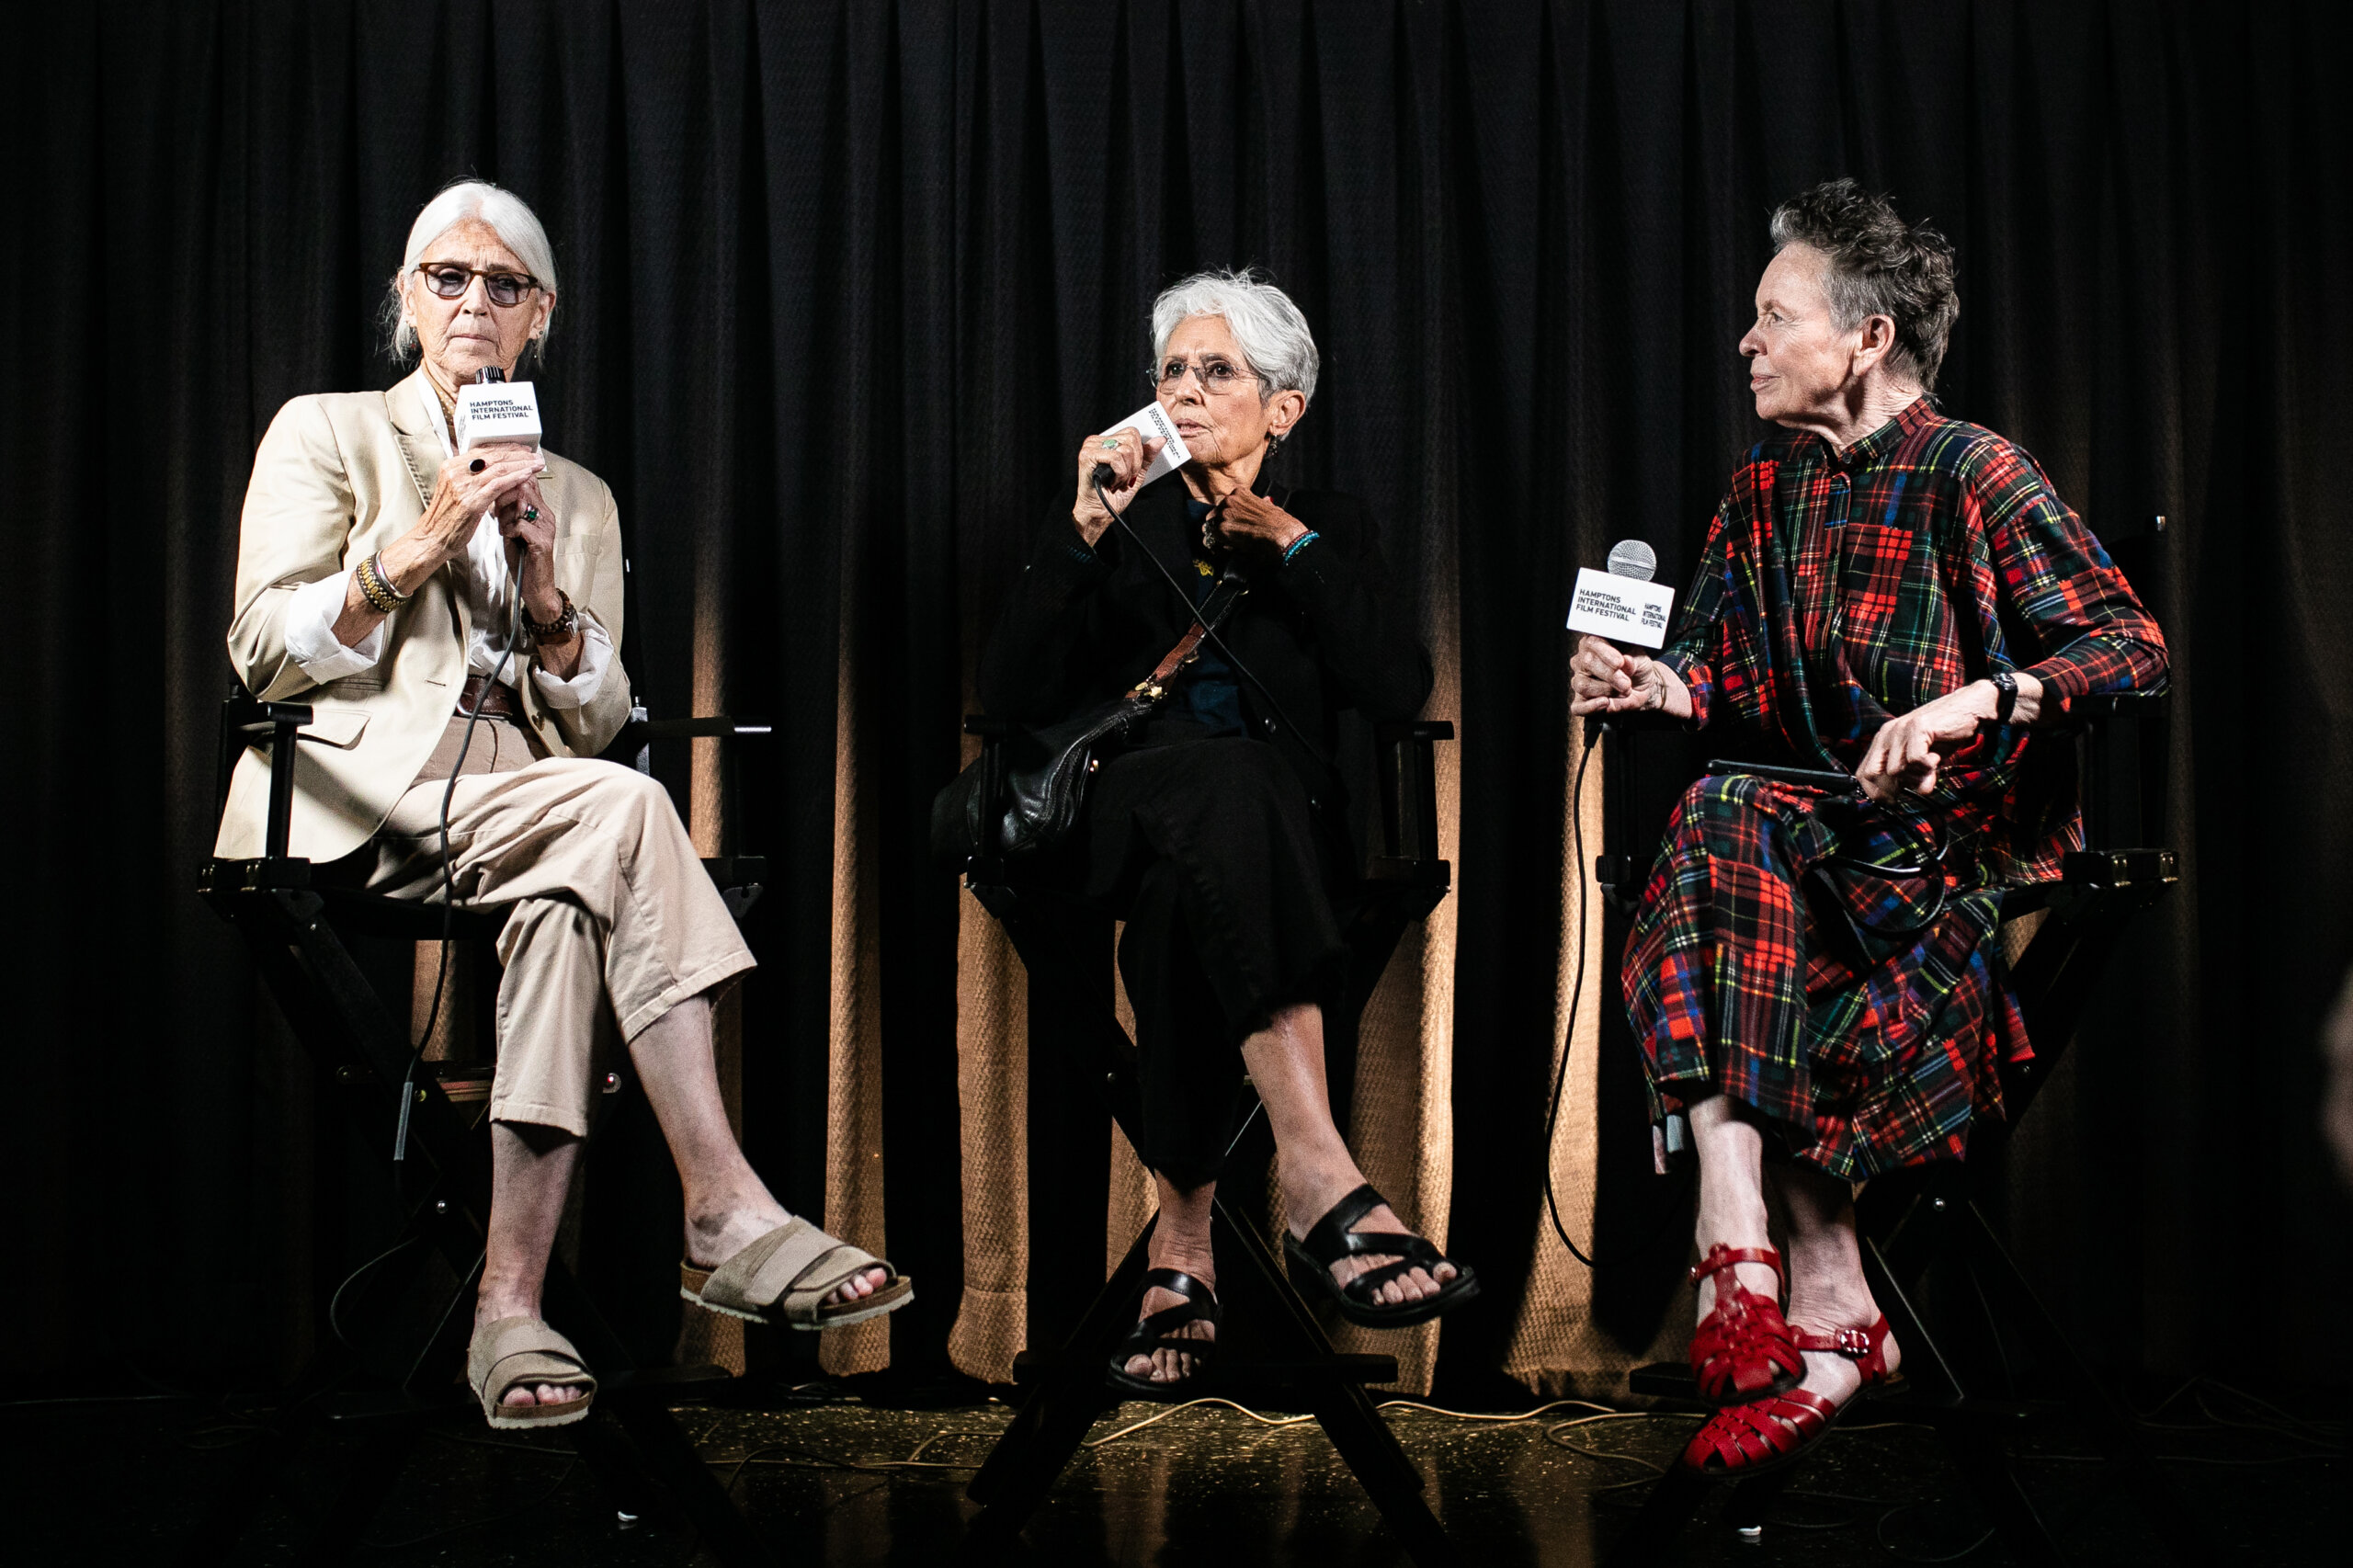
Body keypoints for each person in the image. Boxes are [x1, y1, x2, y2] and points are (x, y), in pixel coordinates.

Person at [218, 179, 910, 1429]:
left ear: (541, 315)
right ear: (407, 299)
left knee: (568, 901)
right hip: (360, 800)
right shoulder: (327, 432)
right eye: (448, 278)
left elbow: (596, 720)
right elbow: (261, 649)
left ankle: (508, 1310)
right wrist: (420, 543)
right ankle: (722, 1201)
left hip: (530, 811)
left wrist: (545, 596)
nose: (474, 302)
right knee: (629, 810)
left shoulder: (576, 495)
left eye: (504, 285)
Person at [1572, 180, 2166, 1475]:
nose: (1745, 341)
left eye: (1771, 316)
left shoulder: (1976, 471)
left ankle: (1776, 1268)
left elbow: (2132, 647)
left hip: (1951, 868)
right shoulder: (1759, 495)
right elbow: (1713, 678)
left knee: (1719, 842)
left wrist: (1983, 693)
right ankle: (1791, 1271)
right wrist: (1653, 684)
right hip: (1808, 862)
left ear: (1868, 337)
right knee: (1726, 814)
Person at [979, 269, 1477, 1392]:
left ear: (1282, 406)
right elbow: (1006, 694)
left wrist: (1293, 549)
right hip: (1117, 814)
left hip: (1267, 849)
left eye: (1217, 371)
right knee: (1213, 789)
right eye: (1172, 371)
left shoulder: (1328, 527)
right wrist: (1080, 530)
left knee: (1185, 903)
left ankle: (1182, 1253)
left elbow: (1396, 684)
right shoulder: (1121, 515)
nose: (1187, 392)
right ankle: (1318, 1173)